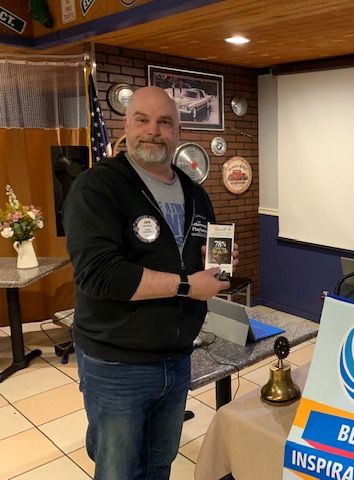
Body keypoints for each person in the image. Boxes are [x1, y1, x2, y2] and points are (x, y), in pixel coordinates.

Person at [63, 86, 238, 479]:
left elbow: (194, 256)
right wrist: (187, 285)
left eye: (165, 122)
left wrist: (216, 264)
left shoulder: (195, 194)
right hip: (116, 364)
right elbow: (100, 274)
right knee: (119, 470)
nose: (153, 131)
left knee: (160, 464)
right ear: (126, 125)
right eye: (143, 120)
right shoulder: (98, 187)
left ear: (178, 132)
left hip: (176, 358)